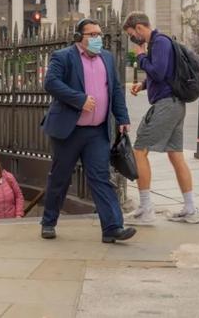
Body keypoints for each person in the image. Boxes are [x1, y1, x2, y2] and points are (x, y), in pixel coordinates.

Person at [40, 18, 136, 243]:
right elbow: (51, 83)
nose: (97, 39)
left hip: (96, 132)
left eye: (99, 34)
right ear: (79, 38)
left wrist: (122, 118)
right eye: (92, 35)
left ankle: (113, 227)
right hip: (69, 131)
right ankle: (48, 222)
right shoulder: (63, 57)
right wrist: (79, 99)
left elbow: (115, 90)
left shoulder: (107, 59)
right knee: (60, 178)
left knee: (101, 178)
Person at [123, 12, 199, 225]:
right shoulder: (161, 42)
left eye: (131, 35)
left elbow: (157, 71)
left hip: (166, 105)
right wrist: (144, 84)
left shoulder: (158, 42)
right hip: (175, 103)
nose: (133, 40)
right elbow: (166, 73)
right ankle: (190, 208)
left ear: (139, 28)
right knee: (175, 155)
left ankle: (146, 209)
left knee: (139, 151)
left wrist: (140, 56)